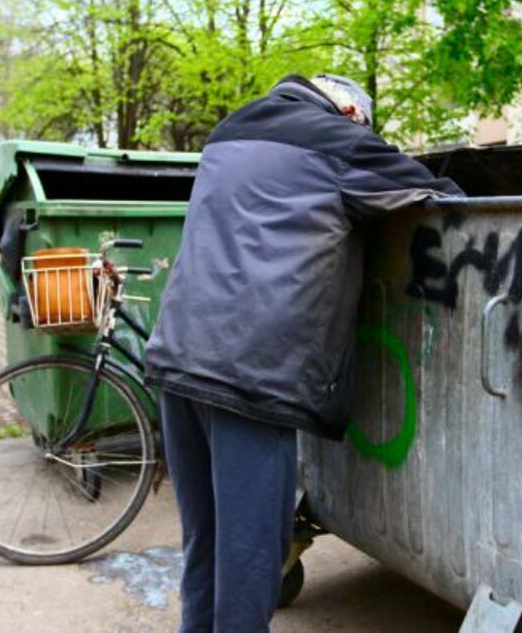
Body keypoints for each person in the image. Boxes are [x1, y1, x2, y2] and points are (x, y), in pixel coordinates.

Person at [144, 73, 463, 632]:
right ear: (346, 108)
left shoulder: (229, 130)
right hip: (251, 379)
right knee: (250, 556)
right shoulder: (340, 140)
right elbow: (436, 193)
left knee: (207, 541)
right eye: (362, 121)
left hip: (177, 359)